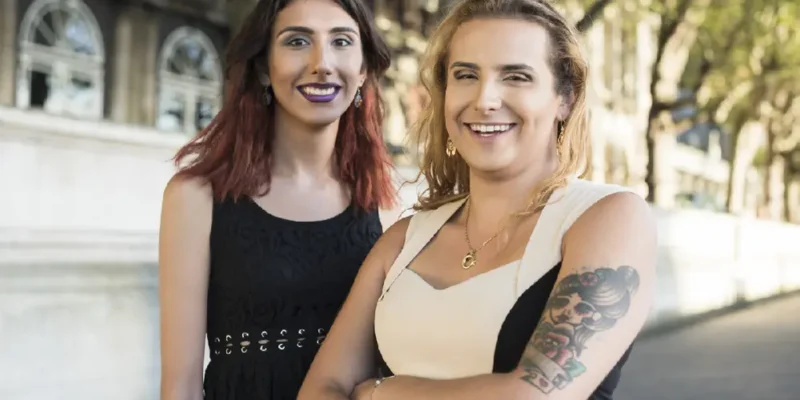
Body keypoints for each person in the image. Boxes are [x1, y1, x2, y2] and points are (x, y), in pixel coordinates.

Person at [297, 0, 657, 399]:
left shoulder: (607, 216)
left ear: (565, 98)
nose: (485, 99)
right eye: (466, 75)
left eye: (516, 76)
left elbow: (534, 395)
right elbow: (321, 388)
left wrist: (383, 392)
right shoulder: (403, 239)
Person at [157, 0, 395, 398]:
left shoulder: (386, 199)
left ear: (364, 69)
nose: (322, 62)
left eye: (341, 41)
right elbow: (180, 386)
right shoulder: (195, 197)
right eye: (298, 41)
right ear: (264, 69)